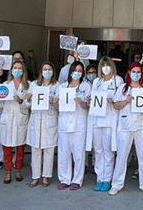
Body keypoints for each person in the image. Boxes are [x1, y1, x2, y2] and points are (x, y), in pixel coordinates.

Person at [110, 62, 143, 196]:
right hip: (125, 125)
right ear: (129, 72)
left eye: (138, 72)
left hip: (141, 126)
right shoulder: (123, 88)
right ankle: (116, 184)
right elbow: (116, 105)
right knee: (122, 156)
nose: (136, 74)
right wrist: (126, 101)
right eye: (133, 71)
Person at [88, 57, 122, 192]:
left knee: (108, 150)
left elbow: (120, 99)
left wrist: (112, 100)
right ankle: (99, 178)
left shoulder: (118, 80)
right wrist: (89, 98)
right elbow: (92, 97)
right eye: (103, 65)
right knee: (98, 150)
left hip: (110, 120)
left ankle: (107, 178)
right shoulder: (96, 81)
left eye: (108, 65)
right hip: (97, 120)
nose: (105, 67)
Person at [0, 60, 30, 184]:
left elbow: (30, 105)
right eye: (15, 68)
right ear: (11, 70)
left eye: (20, 68)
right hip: (7, 119)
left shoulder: (28, 85)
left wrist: (21, 101)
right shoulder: (5, 84)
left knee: (20, 148)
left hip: (20, 119)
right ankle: (8, 172)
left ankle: (18, 170)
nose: (17, 70)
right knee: (7, 148)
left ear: (23, 71)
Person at [56, 61, 90, 191]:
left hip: (79, 124)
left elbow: (88, 106)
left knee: (78, 154)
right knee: (64, 153)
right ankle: (64, 179)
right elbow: (57, 106)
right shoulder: (62, 86)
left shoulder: (86, 86)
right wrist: (56, 102)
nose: (77, 72)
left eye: (80, 70)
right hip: (64, 124)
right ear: (70, 71)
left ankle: (77, 180)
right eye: (75, 70)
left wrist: (81, 102)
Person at [26, 62, 60, 188]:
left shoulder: (57, 86)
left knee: (49, 151)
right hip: (36, 120)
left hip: (49, 119)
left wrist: (54, 102)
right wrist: (29, 99)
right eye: (45, 69)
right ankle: (35, 177)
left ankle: (46, 176)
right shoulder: (34, 84)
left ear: (53, 71)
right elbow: (26, 104)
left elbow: (60, 106)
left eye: (49, 69)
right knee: (35, 150)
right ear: (41, 71)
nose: (47, 71)